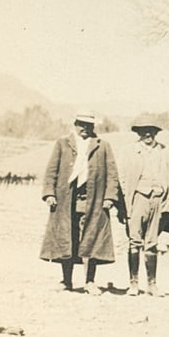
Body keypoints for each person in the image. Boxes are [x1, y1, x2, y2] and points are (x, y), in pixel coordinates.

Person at [39, 112, 120, 294]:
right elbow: (51, 170)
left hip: (94, 200)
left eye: (89, 125)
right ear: (75, 124)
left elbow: (112, 174)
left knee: (91, 237)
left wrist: (109, 197)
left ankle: (90, 281)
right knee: (68, 237)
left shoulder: (102, 146)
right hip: (66, 200)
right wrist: (49, 193)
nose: (85, 128)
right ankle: (66, 281)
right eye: (81, 124)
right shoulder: (62, 144)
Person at [119, 116, 169, 296]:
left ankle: (152, 285)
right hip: (137, 198)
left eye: (151, 131)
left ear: (156, 132)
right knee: (135, 240)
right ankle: (134, 283)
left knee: (152, 243)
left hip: (158, 199)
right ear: (137, 132)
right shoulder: (129, 151)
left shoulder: (164, 151)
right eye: (144, 131)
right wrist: (123, 205)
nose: (148, 134)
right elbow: (121, 179)